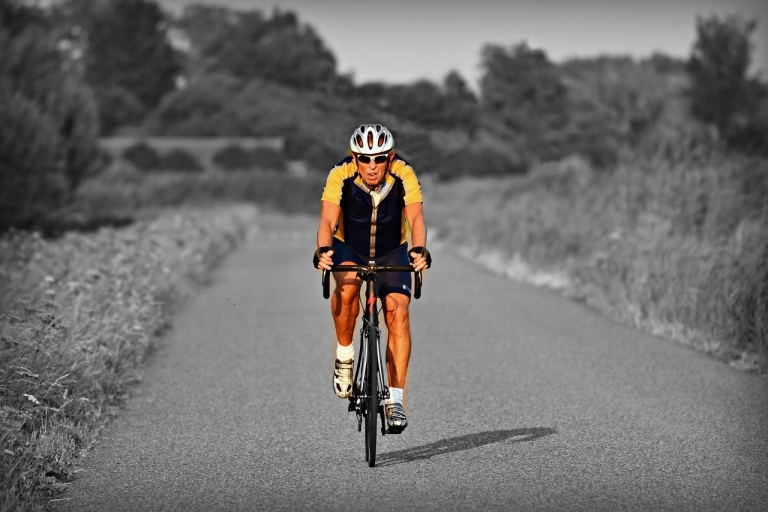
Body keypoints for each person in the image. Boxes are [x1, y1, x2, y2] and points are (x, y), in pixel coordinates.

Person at [313, 124, 431, 433]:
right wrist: (323, 250)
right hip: (350, 247)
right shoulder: (340, 174)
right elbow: (327, 220)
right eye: (365, 159)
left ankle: (395, 400)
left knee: (398, 313)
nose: (372, 166)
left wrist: (419, 250)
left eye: (379, 158)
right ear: (355, 158)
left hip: (392, 250)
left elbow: (416, 217)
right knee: (348, 287)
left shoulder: (404, 173)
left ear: (390, 157)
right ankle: (344, 356)